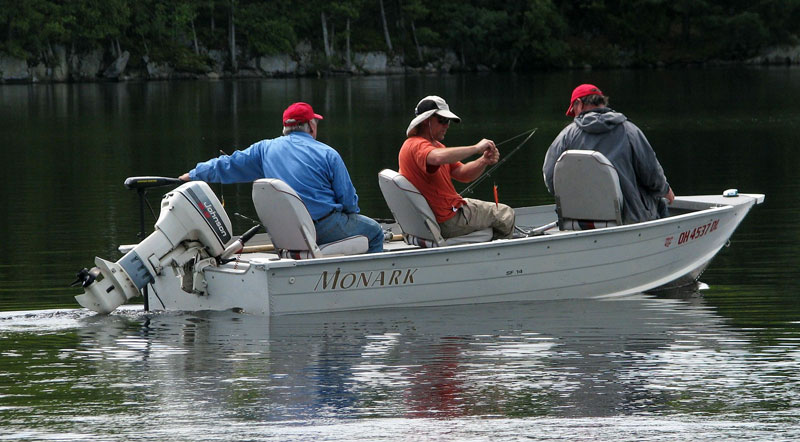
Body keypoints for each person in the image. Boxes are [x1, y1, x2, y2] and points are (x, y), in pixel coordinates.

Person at [179, 102, 384, 253]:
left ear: (284, 127)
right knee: (374, 231)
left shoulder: (264, 149)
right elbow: (348, 202)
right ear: (311, 127)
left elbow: (228, 164)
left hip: (284, 232)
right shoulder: (328, 153)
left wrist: (194, 174)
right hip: (322, 227)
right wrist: (351, 217)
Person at [542, 84, 675, 224]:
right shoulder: (629, 130)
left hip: (579, 221)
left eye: (573, 111)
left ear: (578, 104)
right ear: (602, 102)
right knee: (659, 200)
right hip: (630, 219)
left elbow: (551, 178)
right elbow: (651, 173)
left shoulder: (565, 136)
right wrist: (665, 190)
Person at [398, 95, 516, 240]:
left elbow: (463, 174)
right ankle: (501, 256)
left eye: (448, 121)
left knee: (494, 214)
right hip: (447, 220)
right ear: (426, 121)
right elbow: (437, 158)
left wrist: (483, 160)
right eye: (442, 120)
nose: (446, 125)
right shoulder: (416, 145)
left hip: (447, 214)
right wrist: (476, 148)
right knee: (506, 214)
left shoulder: (435, 146)